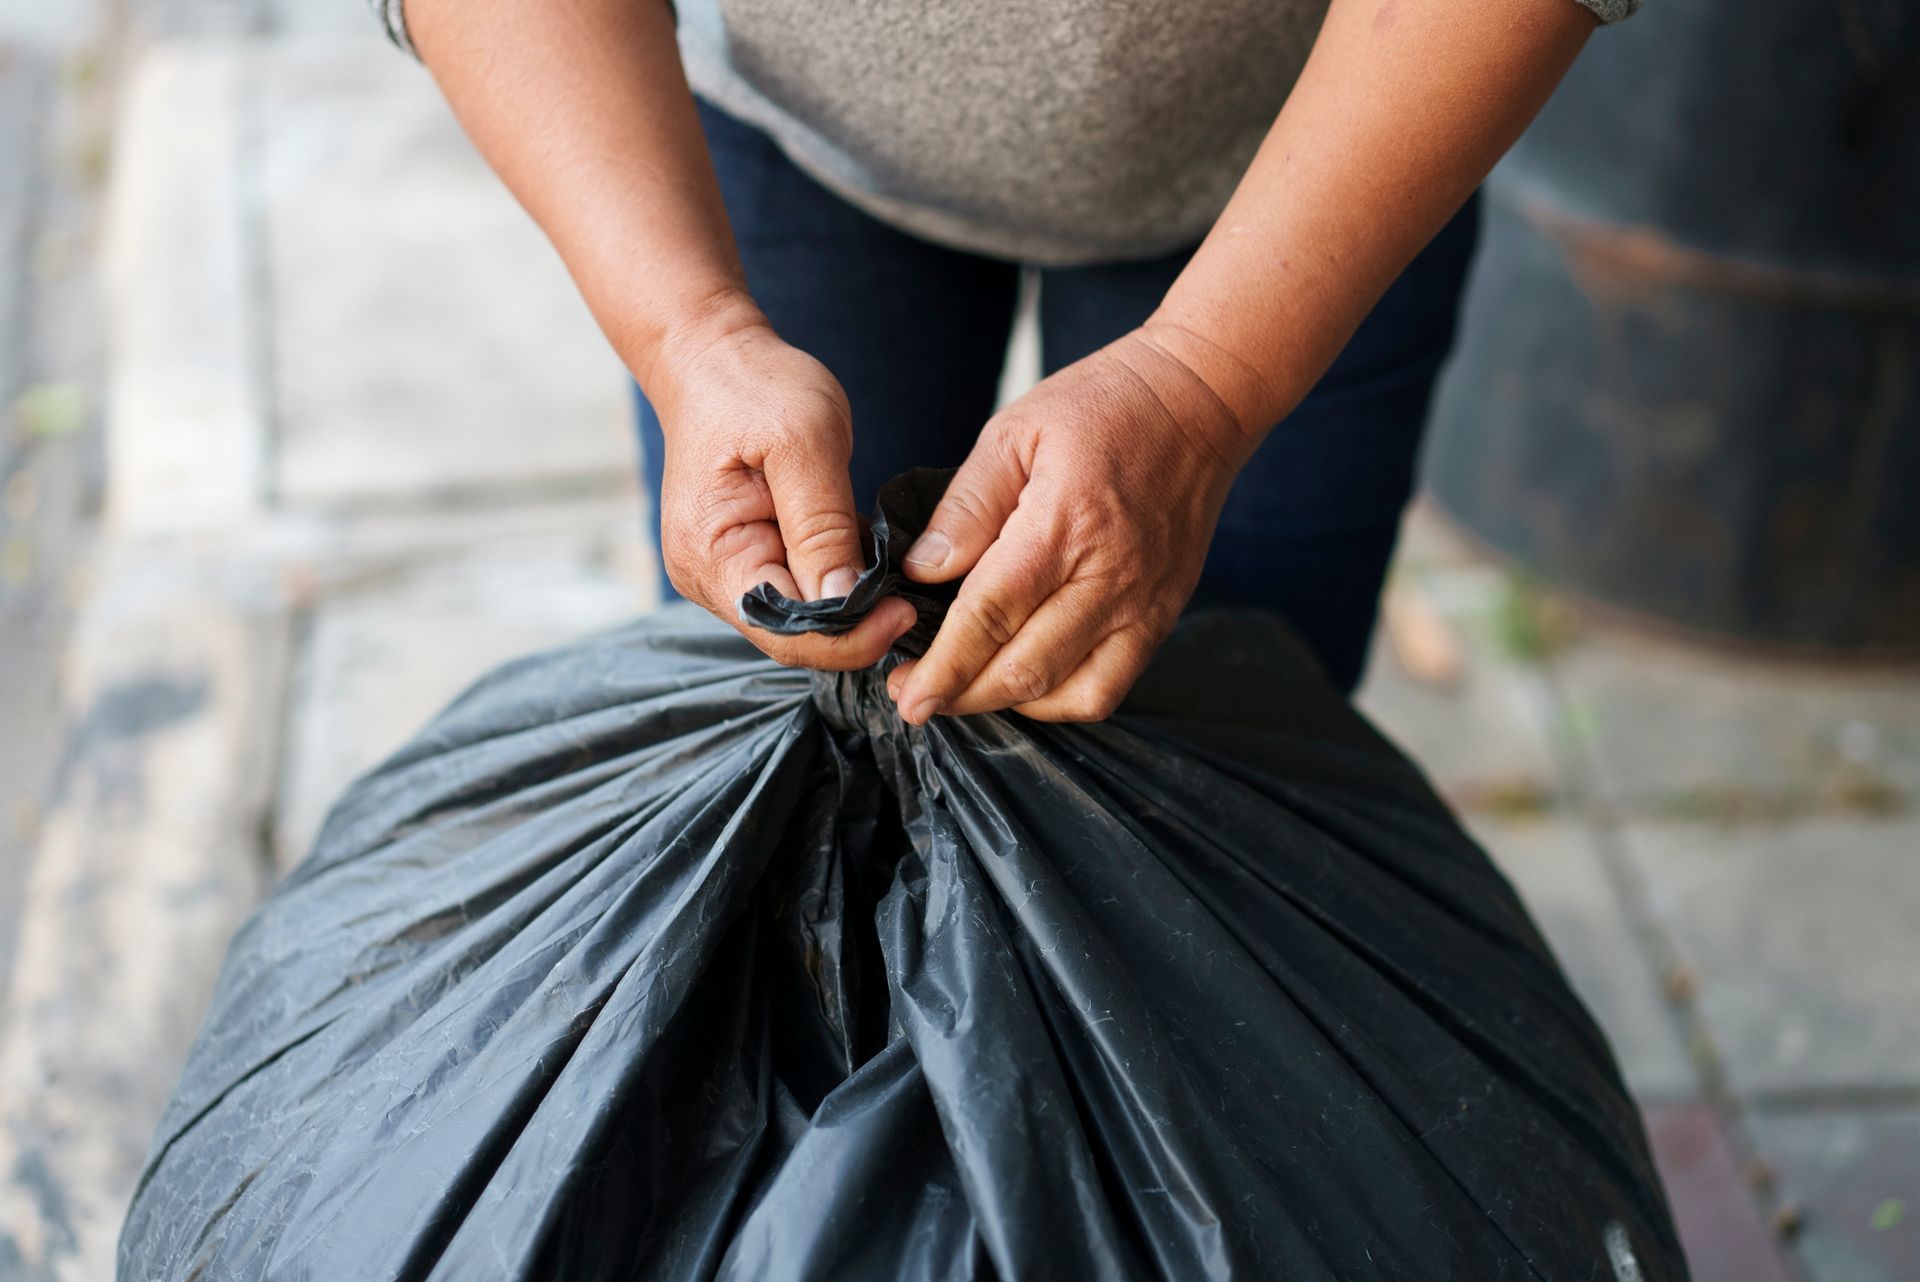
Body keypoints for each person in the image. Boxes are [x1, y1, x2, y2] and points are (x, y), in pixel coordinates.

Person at [381, 0, 1625, 719]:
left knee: (1225, 761)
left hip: (1321, 159)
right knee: (777, 721)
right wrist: (693, 331)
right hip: (786, 147)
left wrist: (1203, 386)